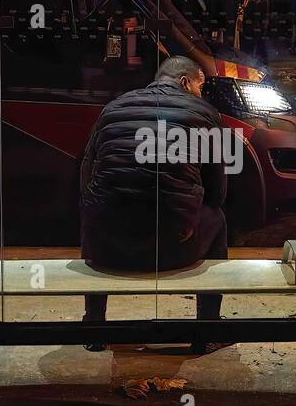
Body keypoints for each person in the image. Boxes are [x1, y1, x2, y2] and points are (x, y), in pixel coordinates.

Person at [79, 56, 229, 353]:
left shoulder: (113, 108)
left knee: (96, 206)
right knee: (218, 217)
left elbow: (87, 177)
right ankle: (207, 330)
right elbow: (218, 192)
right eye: (201, 85)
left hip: (107, 248)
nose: (202, 93)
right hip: (173, 249)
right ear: (185, 82)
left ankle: (94, 326)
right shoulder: (206, 113)